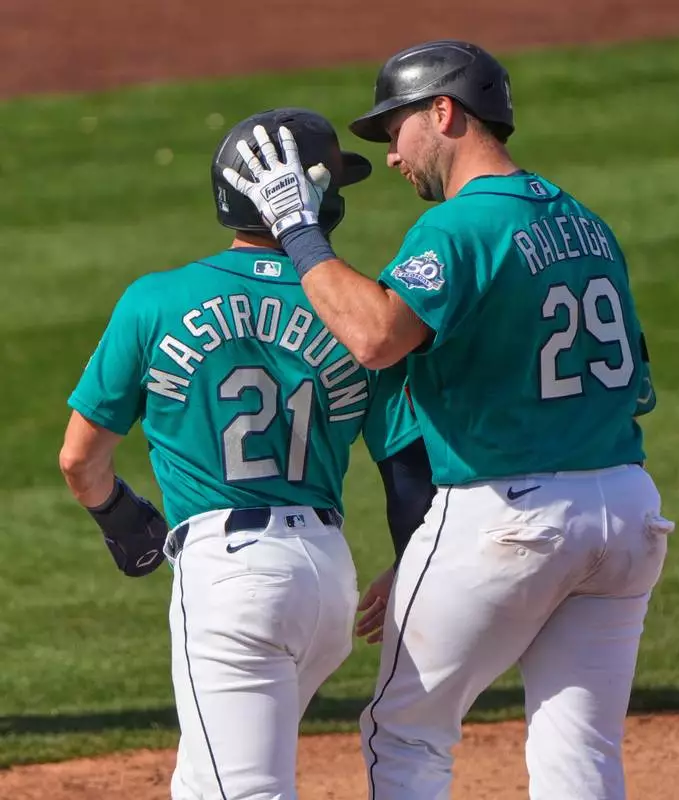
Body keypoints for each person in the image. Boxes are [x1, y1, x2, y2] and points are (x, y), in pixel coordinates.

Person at [219, 39, 671, 800]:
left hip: (510, 514)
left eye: (395, 130)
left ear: (443, 112)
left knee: (405, 730)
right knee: (580, 744)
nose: (393, 156)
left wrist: (299, 230)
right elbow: (639, 384)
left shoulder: (459, 227)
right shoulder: (587, 223)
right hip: (627, 512)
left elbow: (374, 338)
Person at [58, 107, 434, 800]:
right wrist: (412, 562)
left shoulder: (155, 301)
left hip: (231, 581)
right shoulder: (360, 314)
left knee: (242, 789)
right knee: (204, 783)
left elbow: (79, 460)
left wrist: (120, 517)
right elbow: (406, 466)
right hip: (326, 580)